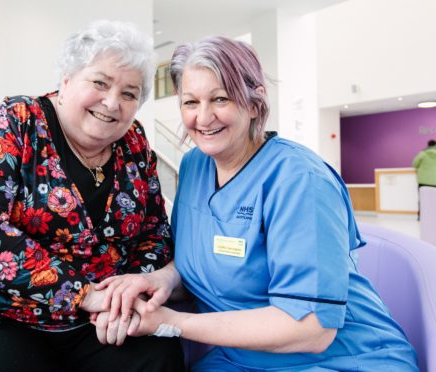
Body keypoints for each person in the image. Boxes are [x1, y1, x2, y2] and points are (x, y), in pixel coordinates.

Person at [93, 36, 419, 371]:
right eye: (190, 102)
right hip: (241, 358)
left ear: (254, 103)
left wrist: (170, 321)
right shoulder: (194, 166)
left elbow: (312, 330)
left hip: (343, 359)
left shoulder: (299, 179)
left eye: (220, 99)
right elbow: (203, 253)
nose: (203, 118)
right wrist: (163, 279)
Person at [0, 20, 185, 372]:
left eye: (129, 93)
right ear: (66, 79)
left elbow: (154, 233)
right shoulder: (17, 122)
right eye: (100, 83)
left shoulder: (134, 143)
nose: (112, 102)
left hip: (92, 315)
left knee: (157, 358)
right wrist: (82, 293)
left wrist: (128, 294)